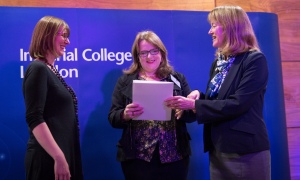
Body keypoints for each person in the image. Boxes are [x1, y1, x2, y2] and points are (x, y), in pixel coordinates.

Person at [165, 5, 271, 180]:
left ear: (230, 27)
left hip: (244, 152)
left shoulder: (255, 60)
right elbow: (219, 100)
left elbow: (238, 103)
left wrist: (194, 105)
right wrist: (199, 95)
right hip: (218, 149)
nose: (209, 31)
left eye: (214, 25)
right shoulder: (219, 63)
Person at [108, 30, 195, 180]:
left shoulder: (177, 78)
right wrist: (125, 114)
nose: (149, 56)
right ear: (137, 56)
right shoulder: (125, 81)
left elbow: (192, 113)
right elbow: (112, 117)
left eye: (154, 51)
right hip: (137, 158)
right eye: (144, 53)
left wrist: (182, 110)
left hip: (175, 156)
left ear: (161, 53)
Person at [22, 16, 83, 180]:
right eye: (63, 35)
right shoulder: (38, 68)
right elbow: (34, 117)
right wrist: (58, 157)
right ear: (47, 35)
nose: (68, 42)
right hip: (49, 159)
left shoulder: (50, 70)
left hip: (60, 156)